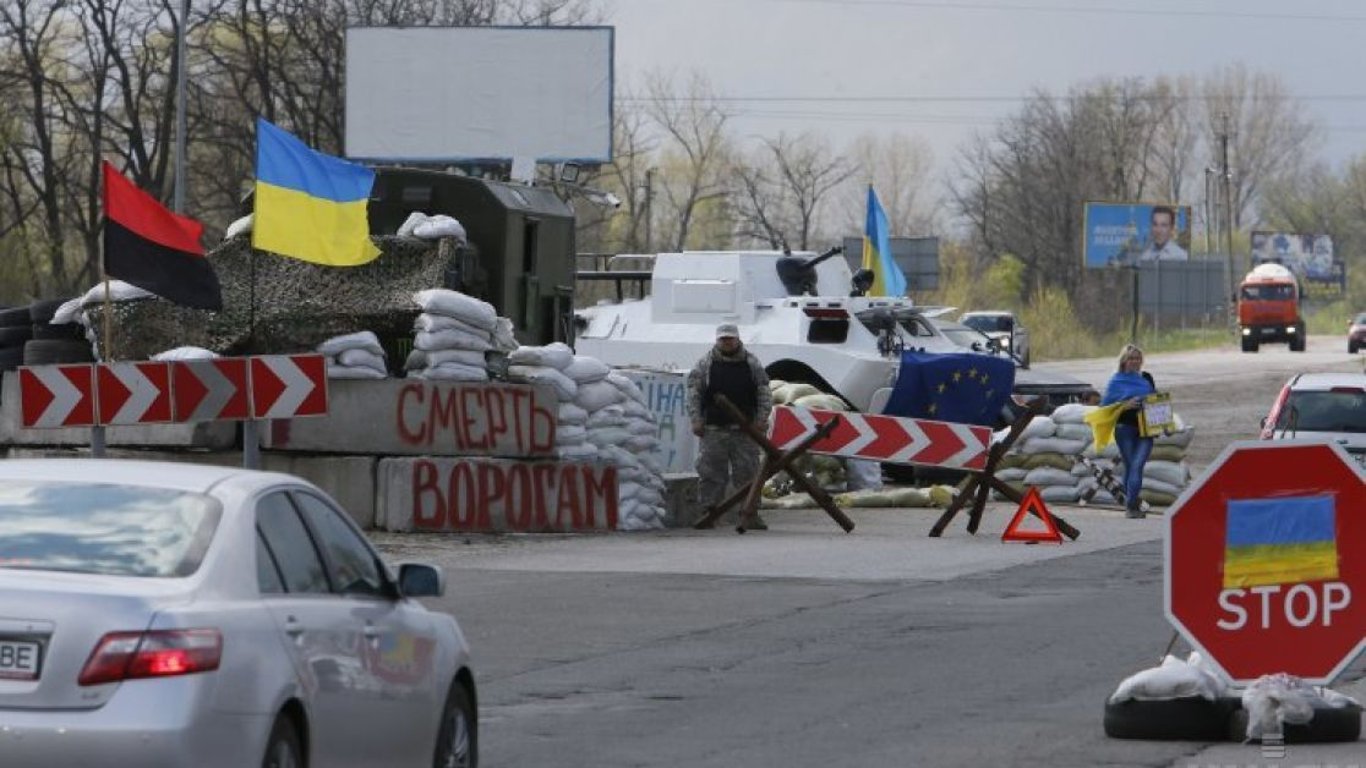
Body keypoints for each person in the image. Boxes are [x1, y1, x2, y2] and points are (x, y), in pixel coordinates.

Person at [687, 323, 773, 530]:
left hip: (745, 430)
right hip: (714, 429)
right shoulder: (705, 364)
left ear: (737, 339)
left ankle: (750, 513)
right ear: (717, 341)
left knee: (748, 473)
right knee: (711, 473)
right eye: (723, 339)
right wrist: (696, 419)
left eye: (730, 339)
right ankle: (709, 512)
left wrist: (762, 418)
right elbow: (694, 394)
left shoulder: (751, 363)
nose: (727, 342)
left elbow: (763, 391)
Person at [1102, 344, 1156, 518]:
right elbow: (1104, 408)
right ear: (1124, 361)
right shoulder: (1115, 381)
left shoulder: (1146, 378)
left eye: (1138, 358)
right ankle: (1131, 506)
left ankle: (1131, 505)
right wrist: (1125, 405)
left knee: (1137, 465)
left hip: (1146, 429)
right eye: (1131, 358)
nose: (1135, 362)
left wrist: (1167, 424)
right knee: (1131, 465)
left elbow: (1157, 402)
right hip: (1124, 429)